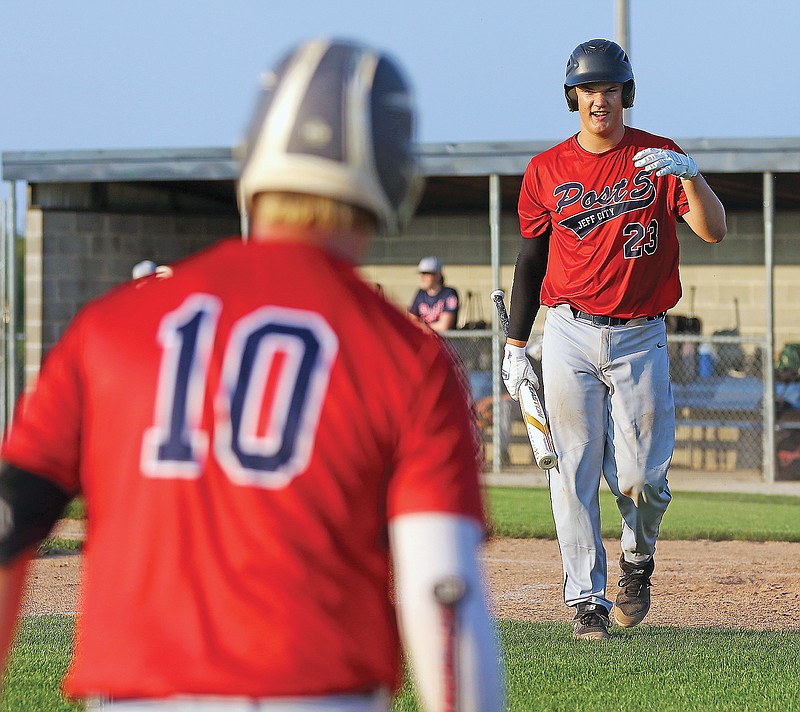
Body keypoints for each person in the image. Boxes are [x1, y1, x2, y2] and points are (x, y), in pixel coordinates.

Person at [0, 38, 504, 711]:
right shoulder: (404, 356)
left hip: (134, 694)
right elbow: (444, 592)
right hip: (314, 689)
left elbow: (10, 524)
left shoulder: (112, 327)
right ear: (395, 177)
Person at [502, 38, 726, 641]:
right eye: (589, 89)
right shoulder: (547, 168)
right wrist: (516, 345)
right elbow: (531, 258)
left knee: (642, 479)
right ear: (572, 96)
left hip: (641, 334)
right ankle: (586, 600)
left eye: (609, 88)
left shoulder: (658, 157)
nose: (599, 99)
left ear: (627, 93)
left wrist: (694, 178)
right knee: (570, 467)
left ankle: (637, 559)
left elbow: (714, 233)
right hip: (569, 330)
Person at [409, 256, 459, 332]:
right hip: (424, 340)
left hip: (443, 341)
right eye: (422, 274)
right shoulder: (421, 293)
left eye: (427, 274)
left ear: (438, 275)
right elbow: (411, 321)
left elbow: (444, 326)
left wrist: (421, 327)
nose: (422, 277)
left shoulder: (449, 294)